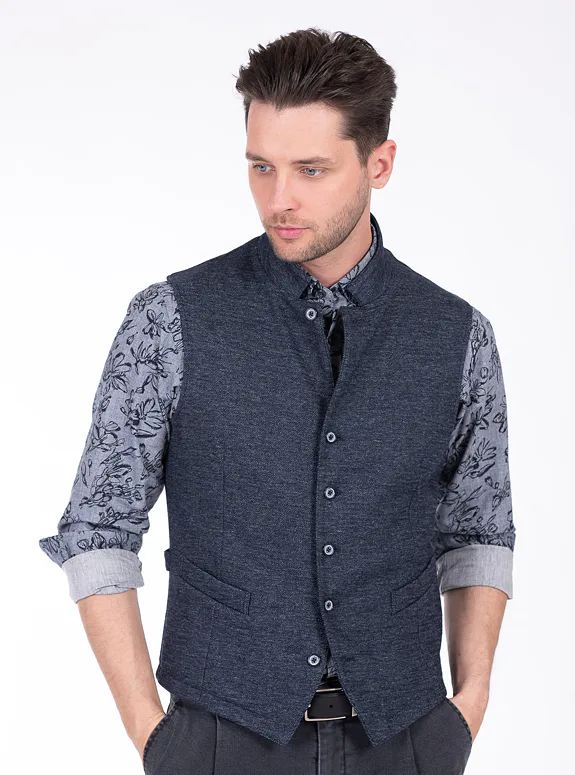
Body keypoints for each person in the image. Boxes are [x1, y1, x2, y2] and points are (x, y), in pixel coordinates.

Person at [39, 27, 516, 775]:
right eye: (261, 166)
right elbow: (97, 527)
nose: (278, 199)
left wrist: (471, 700)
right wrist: (151, 733)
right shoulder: (169, 320)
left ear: (379, 163)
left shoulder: (456, 334)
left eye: (311, 170)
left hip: (406, 738)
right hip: (222, 739)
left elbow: (478, 530)